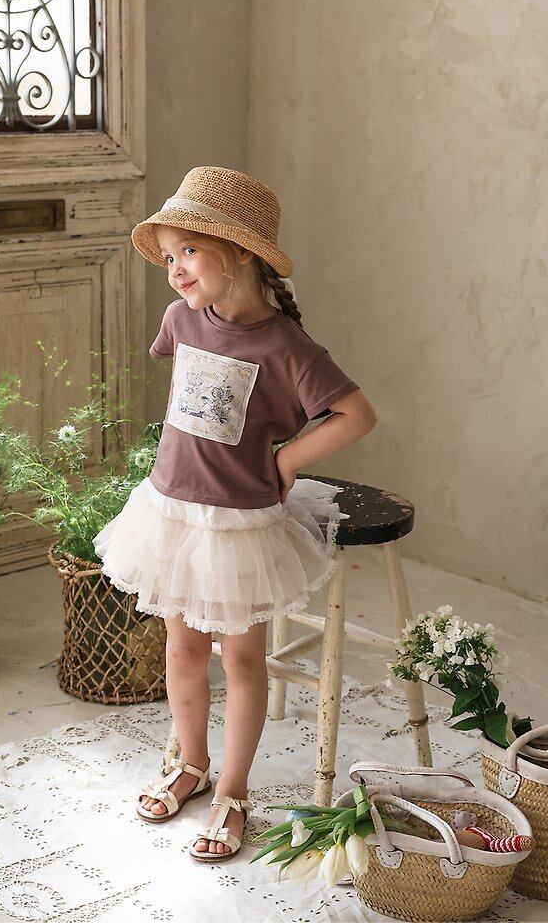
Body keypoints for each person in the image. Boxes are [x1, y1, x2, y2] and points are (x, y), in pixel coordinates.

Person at [91, 165, 376, 863]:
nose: (174, 270)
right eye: (169, 256)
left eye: (188, 251)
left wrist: (289, 459)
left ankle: (233, 790)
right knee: (184, 649)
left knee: (244, 659)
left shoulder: (286, 346)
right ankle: (190, 765)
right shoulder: (180, 319)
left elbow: (356, 414)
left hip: (238, 525)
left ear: (240, 251)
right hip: (171, 512)